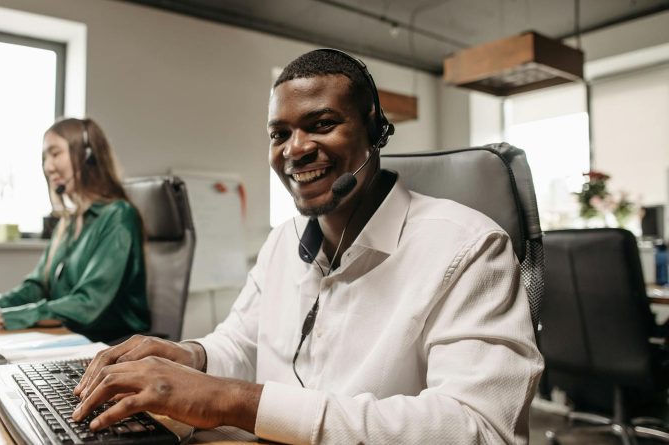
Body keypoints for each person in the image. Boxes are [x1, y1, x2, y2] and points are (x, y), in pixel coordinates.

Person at [71, 50, 543, 443]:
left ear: (375, 128)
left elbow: (481, 428)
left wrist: (236, 401)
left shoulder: (469, 248)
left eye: (320, 124)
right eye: (280, 134)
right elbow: (241, 342)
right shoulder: (284, 241)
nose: (295, 150)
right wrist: (192, 356)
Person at [0, 118, 150, 343]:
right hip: (68, 337)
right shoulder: (68, 222)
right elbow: (35, 288)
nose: (48, 166)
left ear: (87, 156)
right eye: (44, 158)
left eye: (55, 153)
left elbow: (87, 304)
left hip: (108, 347)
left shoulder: (118, 215)